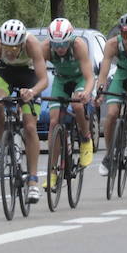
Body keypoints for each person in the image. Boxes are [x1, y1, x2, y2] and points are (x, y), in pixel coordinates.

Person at [0, 18, 48, 203]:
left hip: (29, 77)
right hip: (5, 74)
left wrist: (32, 92)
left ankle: (33, 182)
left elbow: (43, 80)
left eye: (14, 48)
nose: (9, 52)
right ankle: (3, 143)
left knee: (30, 127)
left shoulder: (32, 44)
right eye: (6, 48)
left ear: (22, 42)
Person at [42, 17, 95, 187]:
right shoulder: (45, 47)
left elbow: (89, 77)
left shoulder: (78, 45)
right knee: (53, 121)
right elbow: (38, 73)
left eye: (63, 44)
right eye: (55, 44)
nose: (59, 49)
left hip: (79, 79)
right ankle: (52, 171)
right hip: (61, 80)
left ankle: (86, 139)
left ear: (70, 39)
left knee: (77, 105)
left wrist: (86, 93)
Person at [97, 13, 127, 175]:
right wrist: (100, 89)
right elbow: (104, 71)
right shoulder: (112, 44)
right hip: (121, 75)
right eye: (125, 35)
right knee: (111, 113)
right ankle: (109, 154)